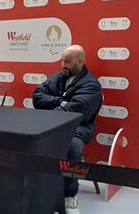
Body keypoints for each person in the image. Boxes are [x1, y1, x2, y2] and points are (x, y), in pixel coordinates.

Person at [32, 45, 102, 214]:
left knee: (71, 148)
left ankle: (70, 195)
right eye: (62, 60)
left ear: (80, 61)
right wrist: (60, 101)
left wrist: (51, 111)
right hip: (50, 125)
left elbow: (75, 111)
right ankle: (38, 189)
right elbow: (37, 97)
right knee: (31, 141)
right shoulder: (56, 78)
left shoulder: (92, 85)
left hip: (77, 128)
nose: (63, 65)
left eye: (68, 61)